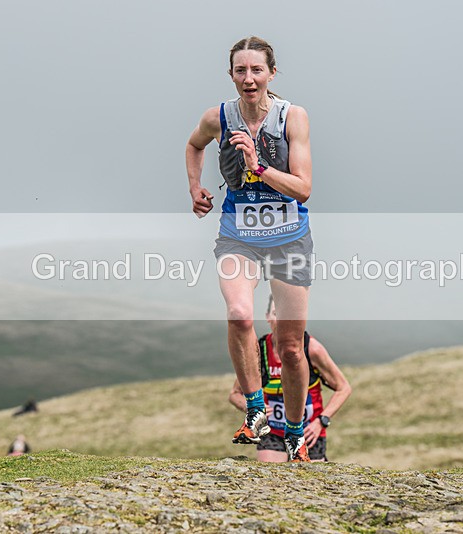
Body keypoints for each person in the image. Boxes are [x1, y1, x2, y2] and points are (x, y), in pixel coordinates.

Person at [186, 36, 315, 461]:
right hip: (237, 233)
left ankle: (294, 432)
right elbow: (193, 145)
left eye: (256, 70)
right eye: (240, 71)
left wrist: (257, 166)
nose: (248, 78)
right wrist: (196, 188)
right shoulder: (218, 117)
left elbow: (304, 189)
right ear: (231, 75)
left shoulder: (292, 118)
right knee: (240, 314)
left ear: (271, 74)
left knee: (290, 347)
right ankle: (256, 409)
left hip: (288, 236)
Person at [230, 295, 352, 462]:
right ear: (267, 317)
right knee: (270, 479)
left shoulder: (312, 349)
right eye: (275, 313)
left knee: (311, 483)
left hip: (308, 432)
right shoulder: (259, 350)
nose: (280, 320)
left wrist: (321, 421)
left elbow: (343, 387)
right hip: (273, 431)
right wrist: (253, 409)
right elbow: (235, 394)